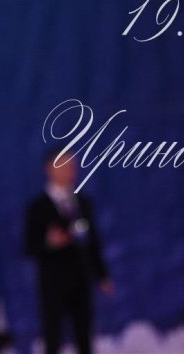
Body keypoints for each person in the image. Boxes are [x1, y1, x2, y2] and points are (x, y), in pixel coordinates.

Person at [24, 148, 113, 354]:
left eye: (72, 165)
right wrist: (49, 242)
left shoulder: (83, 203)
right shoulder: (38, 207)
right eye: (64, 165)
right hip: (53, 282)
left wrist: (102, 274)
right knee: (53, 335)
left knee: (84, 334)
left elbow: (93, 242)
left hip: (81, 279)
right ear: (50, 169)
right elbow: (29, 246)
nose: (70, 170)